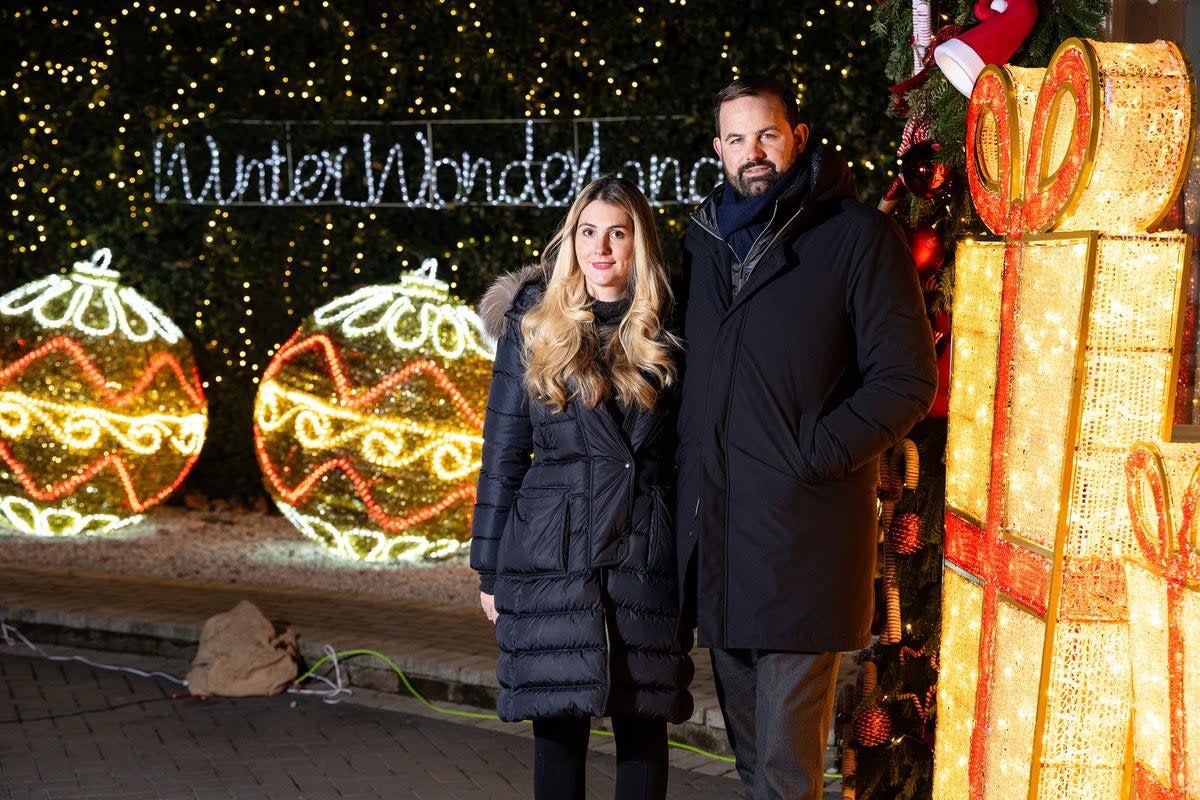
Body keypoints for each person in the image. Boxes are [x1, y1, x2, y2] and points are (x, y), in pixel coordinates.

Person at [674, 75, 937, 800]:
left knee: (786, 776)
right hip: (721, 548)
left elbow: (906, 381)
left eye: (766, 134)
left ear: (799, 136)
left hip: (800, 541)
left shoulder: (855, 237)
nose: (752, 152)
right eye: (736, 138)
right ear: (718, 149)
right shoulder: (700, 246)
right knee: (755, 767)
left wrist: (813, 457)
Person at [471, 174, 694, 800]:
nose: (601, 249)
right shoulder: (535, 323)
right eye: (588, 233)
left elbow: (686, 455)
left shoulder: (672, 328)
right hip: (551, 551)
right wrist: (488, 570)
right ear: (572, 242)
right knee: (558, 730)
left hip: (644, 548)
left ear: (638, 244)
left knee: (643, 726)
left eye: (617, 234)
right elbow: (503, 452)